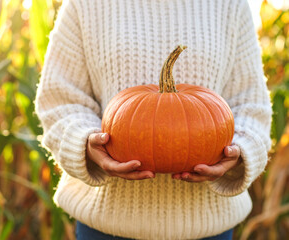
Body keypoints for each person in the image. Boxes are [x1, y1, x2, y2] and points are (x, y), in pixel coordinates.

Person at [35, 0, 272, 239]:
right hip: (105, 227)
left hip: (209, 229)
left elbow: (251, 107)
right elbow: (59, 100)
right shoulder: (85, 5)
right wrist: (86, 143)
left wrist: (238, 152)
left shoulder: (230, 5)